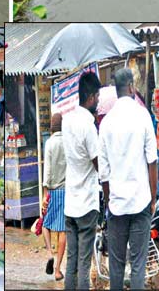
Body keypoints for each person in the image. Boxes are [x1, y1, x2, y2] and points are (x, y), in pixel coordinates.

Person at [99, 69, 158, 291]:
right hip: (141, 202)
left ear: (116, 89)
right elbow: (152, 161)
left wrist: (108, 200)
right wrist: (153, 198)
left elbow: (103, 173)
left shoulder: (106, 123)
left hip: (117, 205)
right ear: (132, 87)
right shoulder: (142, 116)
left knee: (116, 266)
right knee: (138, 266)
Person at [62, 71, 101, 290]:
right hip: (86, 203)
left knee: (72, 263)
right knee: (84, 265)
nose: (98, 102)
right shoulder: (88, 126)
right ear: (92, 97)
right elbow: (98, 165)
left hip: (71, 203)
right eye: (98, 97)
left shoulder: (67, 120)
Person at [42, 112, 67, 282]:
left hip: (52, 190)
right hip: (67, 191)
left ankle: (49, 253)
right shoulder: (68, 141)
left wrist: (45, 193)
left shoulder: (49, 143)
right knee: (63, 230)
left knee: (45, 224)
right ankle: (58, 269)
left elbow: (47, 170)